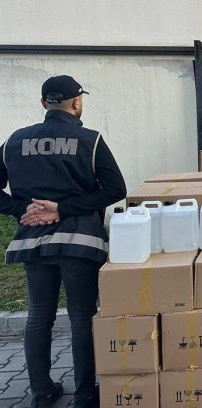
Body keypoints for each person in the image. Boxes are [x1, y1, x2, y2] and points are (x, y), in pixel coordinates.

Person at [0, 75, 126, 408]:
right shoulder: (90, 140)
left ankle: (41, 393)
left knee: (39, 315)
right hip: (79, 243)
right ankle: (84, 395)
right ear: (77, 102)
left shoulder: (14, 141)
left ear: (44, 103)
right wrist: (63, 208)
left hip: (33, 243)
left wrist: (22, 208)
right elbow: (116, 190)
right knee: (81, 316)